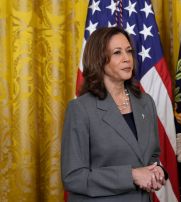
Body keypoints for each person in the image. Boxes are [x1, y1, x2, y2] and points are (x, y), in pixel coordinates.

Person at [61, 27, 166, 202]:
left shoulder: (145, 102)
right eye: (117, 53)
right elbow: (73, 177)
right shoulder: (80, 109)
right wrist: (131, 176)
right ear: (99, 60)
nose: (127, 58)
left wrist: (158, 171)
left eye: (129, 51)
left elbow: (152, 156)